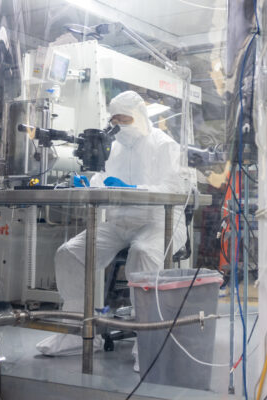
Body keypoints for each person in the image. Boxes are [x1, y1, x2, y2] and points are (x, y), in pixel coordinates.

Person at [37, 91, 187, 357]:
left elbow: (174, 189)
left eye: (125, 119)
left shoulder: (164, 144)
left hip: (158, 221)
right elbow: (104, 180)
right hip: (120, 221)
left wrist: (133, 189)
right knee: (70, 253)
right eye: (114, 119)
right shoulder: (113, 148)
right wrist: (90, 183)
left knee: (143, 253)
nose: (119, 125)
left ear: (139, 116)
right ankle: (78, 331)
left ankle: (150, 340)